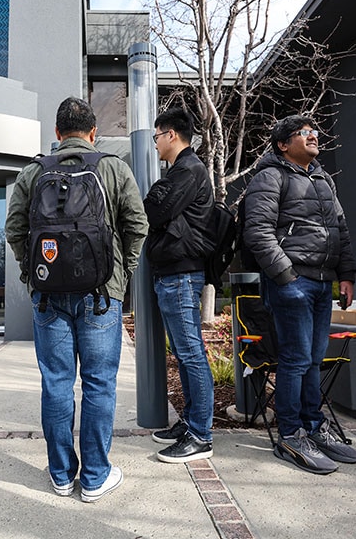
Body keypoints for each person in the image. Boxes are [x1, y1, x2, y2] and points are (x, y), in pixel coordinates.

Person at [4, 97, 148, 502]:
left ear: (56, 134)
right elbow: (137, 225)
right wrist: (121, 275)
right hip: (101, 294)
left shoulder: (33, 173)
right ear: (92, 133)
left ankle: (62, 475)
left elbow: (14, 230)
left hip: (48, 295)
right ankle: (95, 477)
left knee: (56, 384)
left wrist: (32, 275)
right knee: (99, 384)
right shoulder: (113, 168)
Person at [241, 114, 356, 475]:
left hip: (323, 283)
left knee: (313, 358)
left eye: (315, 132)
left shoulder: (323, 178)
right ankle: (291, 433)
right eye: (303, 133)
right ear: (282, 144)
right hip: (293, 282)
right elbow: (257, 231)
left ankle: (314, 426)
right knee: (294, 359)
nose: (313, 136)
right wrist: (286, 277)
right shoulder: (270, 176)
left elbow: (341, 229)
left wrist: (347, 275)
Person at [143, 107, 215, 464]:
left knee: (191, 354)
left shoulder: (189, 170)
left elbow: (153, 212)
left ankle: (201, 435)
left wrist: (156, 194)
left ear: (171, 135)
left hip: (182, 274)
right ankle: (189, 423)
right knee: (184, 355)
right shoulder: (179, 171)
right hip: (173, 273)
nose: (155, 144)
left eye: (157, 137)